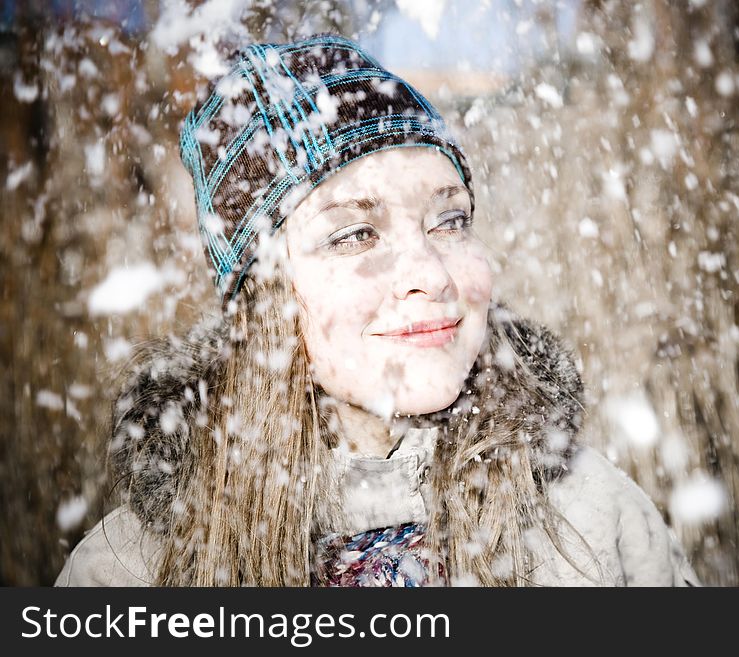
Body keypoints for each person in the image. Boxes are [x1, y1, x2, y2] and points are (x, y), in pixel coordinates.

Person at [55, 34, 700, 587]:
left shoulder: (589, 521)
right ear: (264, 301)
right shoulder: (139, 571)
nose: (429, 273)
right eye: (356, 234)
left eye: (449, 221)